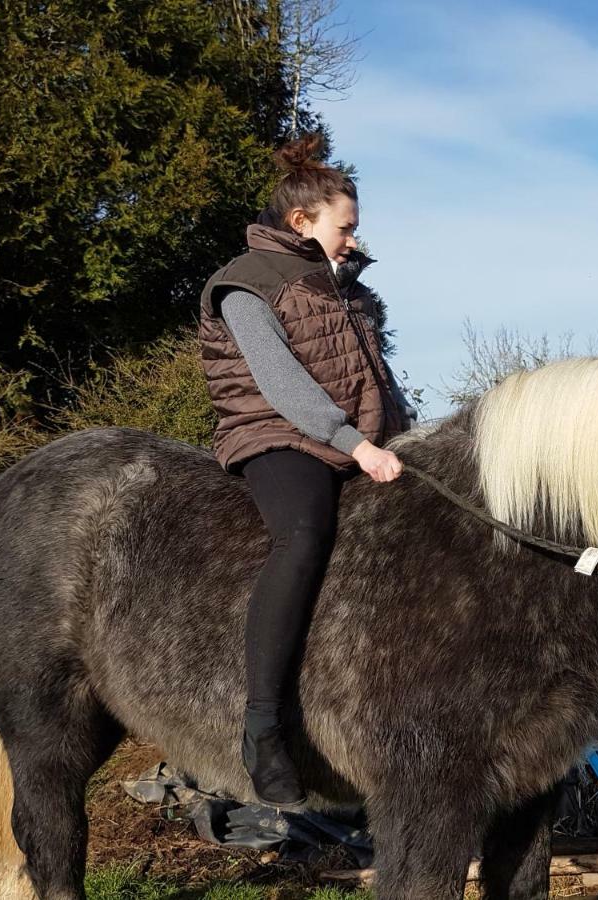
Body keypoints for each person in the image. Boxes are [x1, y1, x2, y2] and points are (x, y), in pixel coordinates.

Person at [198, 134, 416, 806]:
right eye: (345, 226)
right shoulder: (246, 283)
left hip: (351, 439)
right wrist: (356, 446)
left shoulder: (348, 292)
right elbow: (283, 385)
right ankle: (261, 727)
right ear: (302, 222)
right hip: (276, 434)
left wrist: (413, 442)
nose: (354, 239)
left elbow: (380, 382)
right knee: (303, 535)